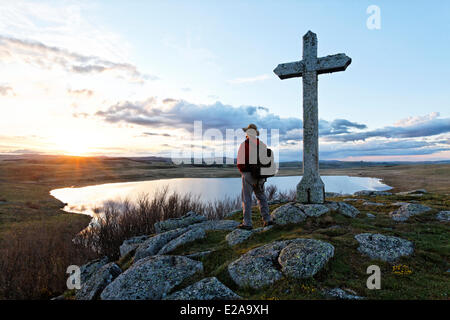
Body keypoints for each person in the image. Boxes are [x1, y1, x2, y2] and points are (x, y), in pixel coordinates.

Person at [236, 124, 274, 230]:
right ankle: (267, 219)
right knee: (261, 197)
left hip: (248, 175)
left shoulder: (245, 145)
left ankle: (247, 223)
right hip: (261, 175)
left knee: (246, 198)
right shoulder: (262, 144)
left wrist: (245, 171)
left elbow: (240, 163)